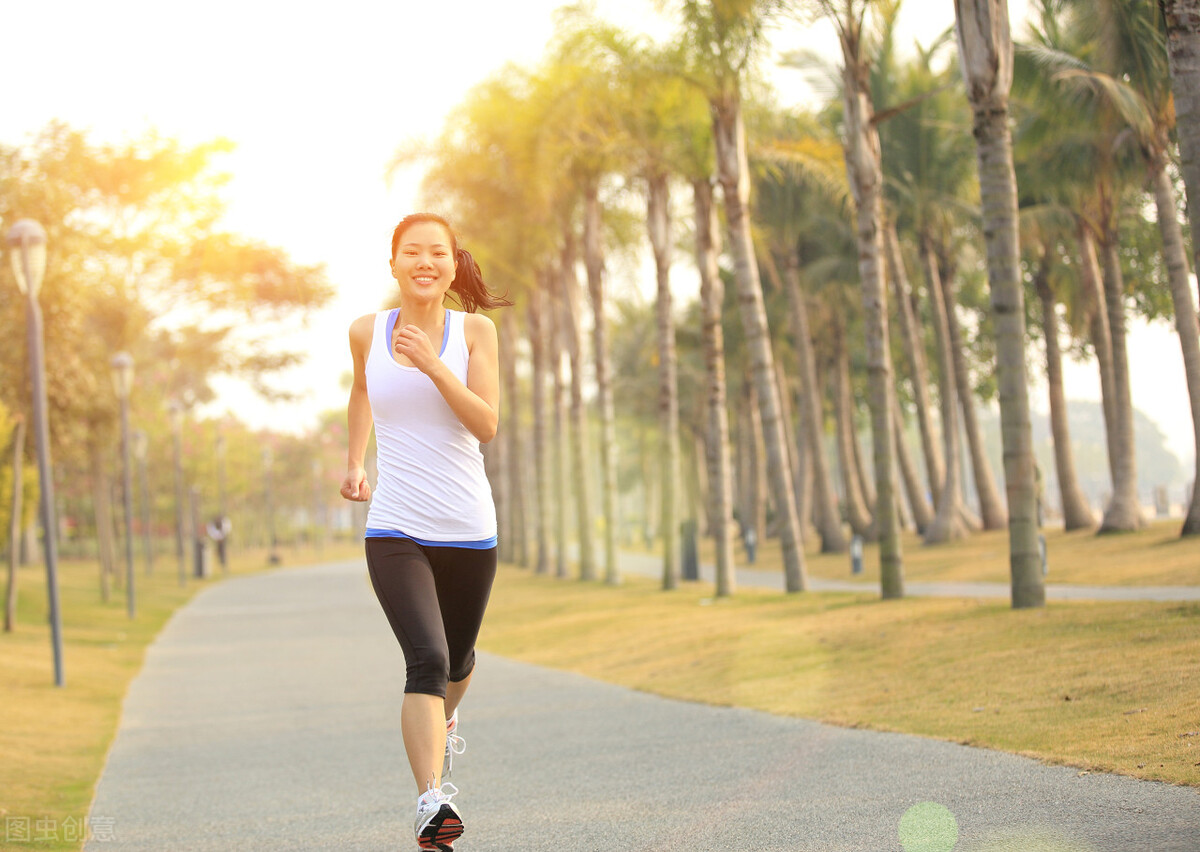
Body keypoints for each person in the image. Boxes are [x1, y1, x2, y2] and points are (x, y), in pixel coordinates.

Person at [340, 212, 511, 851]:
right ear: (393, 263)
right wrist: (356, 462)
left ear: (451, 261)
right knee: (429, 660)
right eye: (412, 252)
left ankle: (445, 717)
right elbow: (362, 390)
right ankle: (430, 803)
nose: (425, 262)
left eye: (437, 252)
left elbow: (485, 424)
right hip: (395, 526)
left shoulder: (475, 333)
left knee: (459, 661)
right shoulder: (366, 331)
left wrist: (434, 365)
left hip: (468, 527)